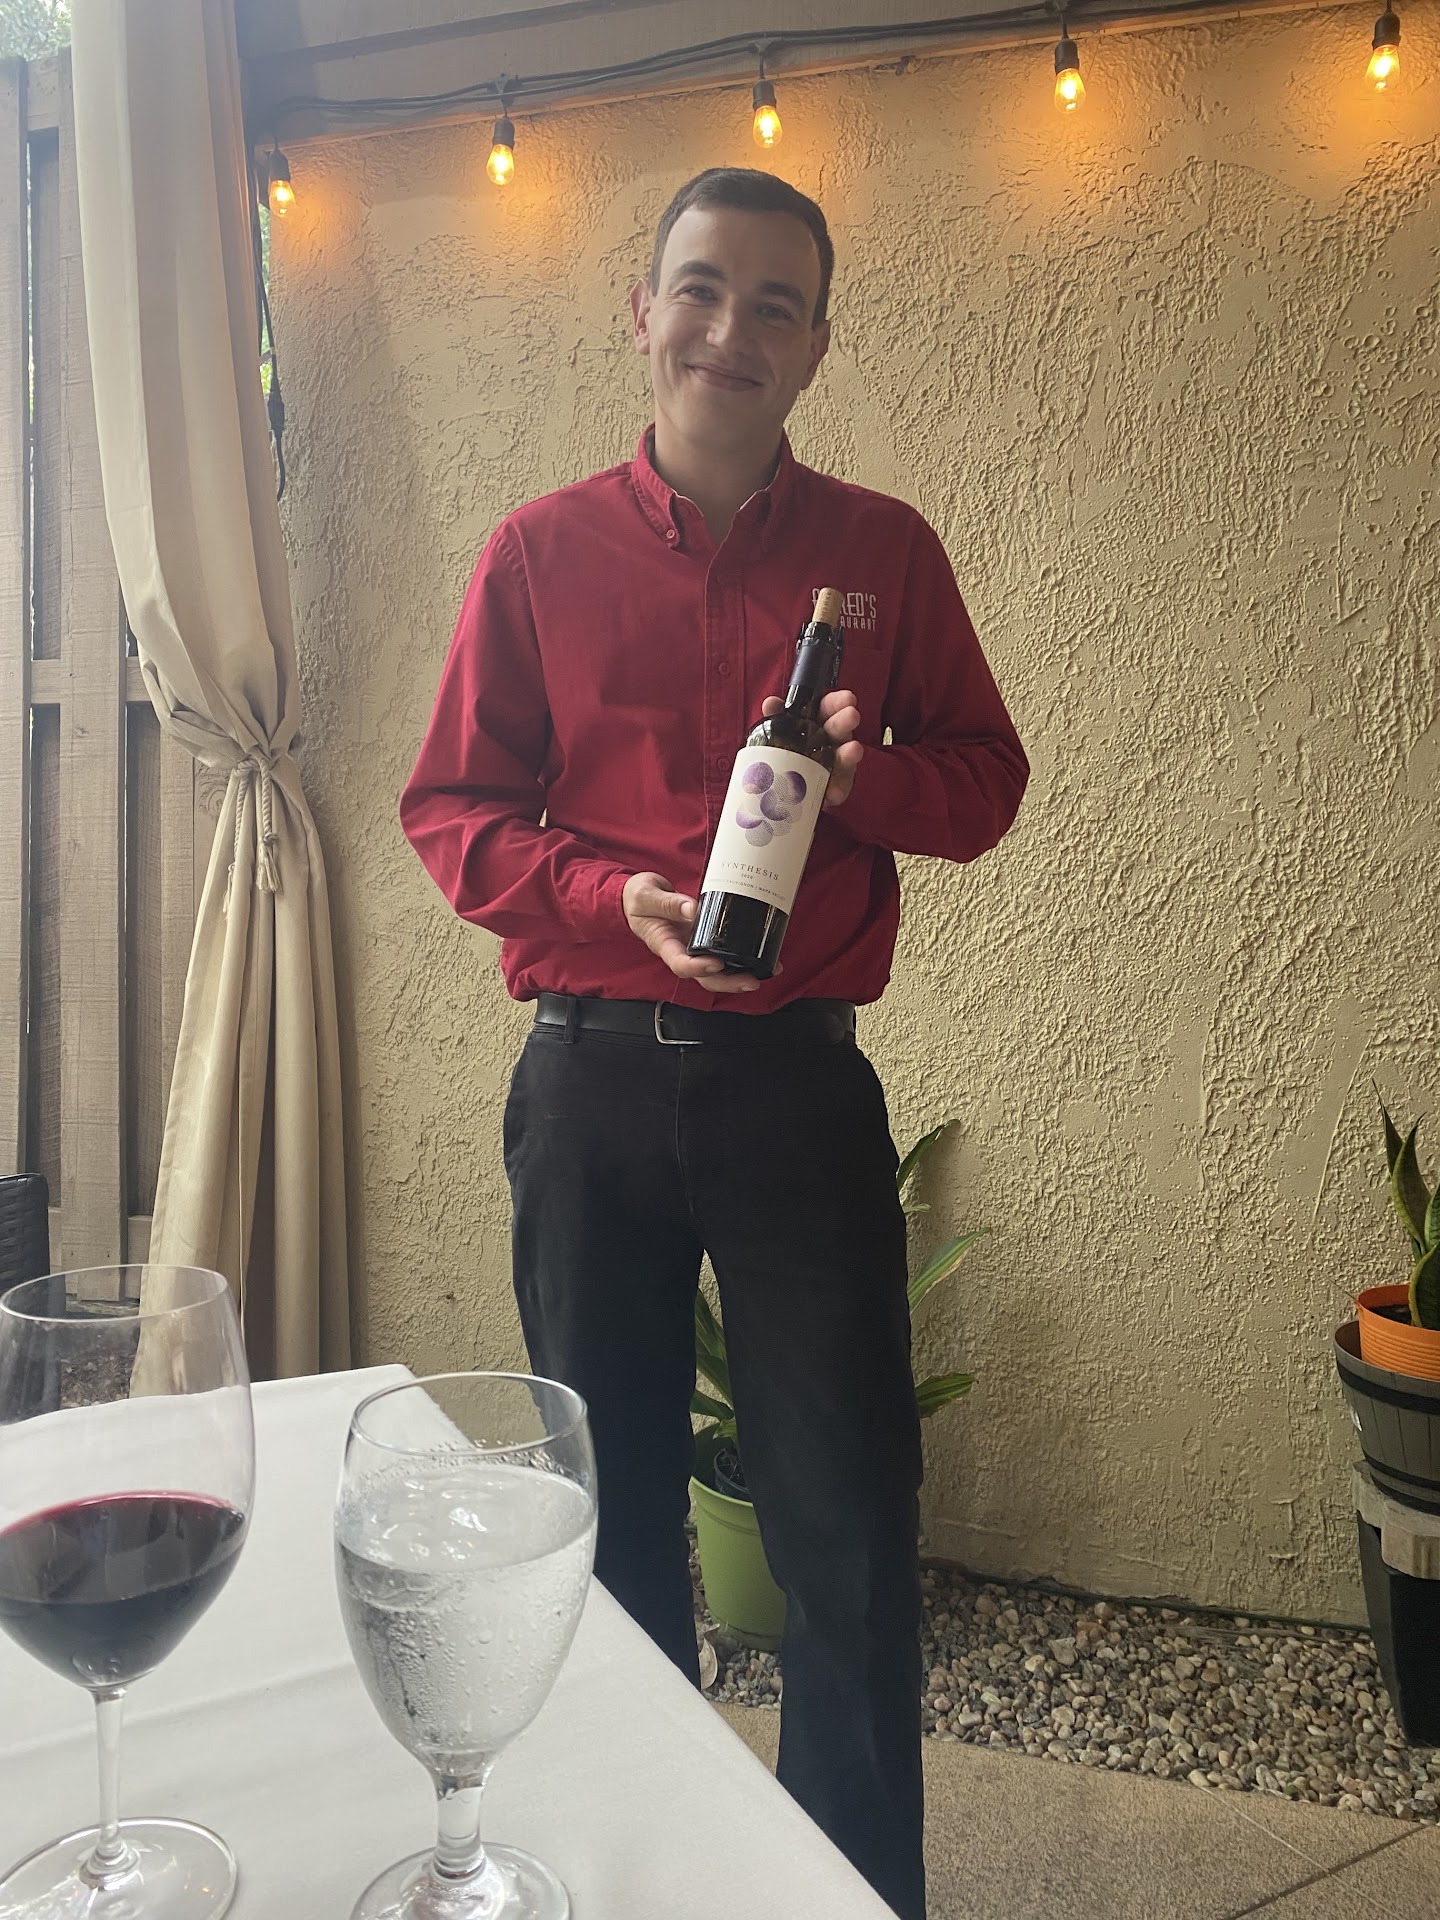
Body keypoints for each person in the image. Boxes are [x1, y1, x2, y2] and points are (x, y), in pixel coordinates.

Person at [401, 166, 1028, 1920]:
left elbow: (987, 785)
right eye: (700, 287)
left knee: (847, 1526)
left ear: (818, 345)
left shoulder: (884, 554)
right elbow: (451, 809)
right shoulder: (537, 554)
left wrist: (868, 783)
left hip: (794, 1084)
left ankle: (849, 1895)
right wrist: (603, 899)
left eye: (775, 304)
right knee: (601, 1528)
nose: (730, 329)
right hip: (589, 1075)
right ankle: (638, 1879)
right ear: (642, 312)